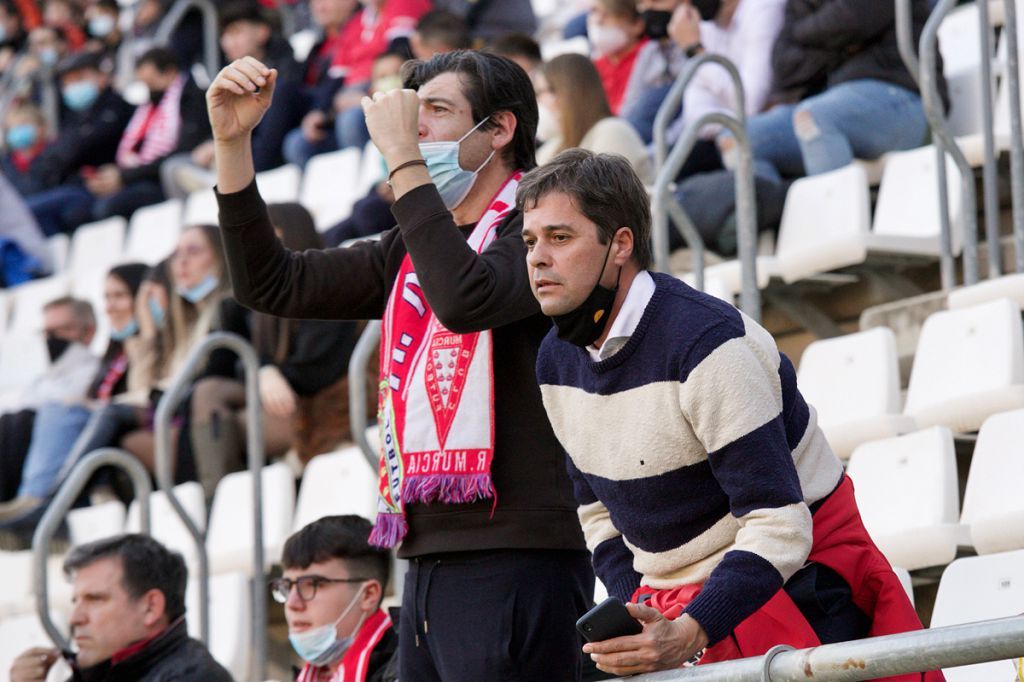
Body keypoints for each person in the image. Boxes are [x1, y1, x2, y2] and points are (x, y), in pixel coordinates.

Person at [208, 49, 592, 679]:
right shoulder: (408, 249)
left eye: (434, 112)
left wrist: (404, 165)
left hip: (522, 551)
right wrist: (233, 145)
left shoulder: (545, 227)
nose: (412, 129)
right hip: (424, 556)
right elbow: (269, 284)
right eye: (409, 114)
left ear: (500, 130)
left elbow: (468, 299)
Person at [518, 149, 940, 678]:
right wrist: (638, 616)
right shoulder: (554, 360)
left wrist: (689, 630)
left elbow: (780, 525)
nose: (536, 258)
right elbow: (597, 513)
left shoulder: (708, 344)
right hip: (679, 609)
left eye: (560, 238)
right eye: (530, 241)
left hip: (795, 584)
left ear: (620, 244)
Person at [190, 203, 361, 497]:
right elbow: (226, 364)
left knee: (217, 420)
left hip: (324, 404)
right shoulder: (263, 302)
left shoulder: (328, 285)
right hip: (284, 399)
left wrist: (270, 371)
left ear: (286, 235)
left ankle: (219, 502)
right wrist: (265, 369)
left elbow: (317, 371)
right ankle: (218, 501)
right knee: (208, 395)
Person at [0, 263, 148, 523]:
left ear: (88, 331)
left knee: (53, 413)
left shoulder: (100, 363)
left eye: (61, 331)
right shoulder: (109, 357)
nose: (51, 339)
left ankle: (37, 501)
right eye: (46, 332)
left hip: (106, 429)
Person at [26, 47, 211, 234]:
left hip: (156, 179)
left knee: (98, 209)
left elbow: (181, 150)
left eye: (151, 83)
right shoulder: (146, 110)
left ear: (170, 73)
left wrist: (123, 177)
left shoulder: (192, 100)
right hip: (132, 177)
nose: (149, 92)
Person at [8, 534, 232, 681]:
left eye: (95, 599)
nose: (75, 618)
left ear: (151, 608)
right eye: (75, 601)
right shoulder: (101, 671)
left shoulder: (195, 676)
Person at [274, 515, 397, 682]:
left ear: (368, 595)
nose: (292, 603)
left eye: (313, 584)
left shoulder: (410, 669)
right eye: (287, 586)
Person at [535, 53, 652, 184]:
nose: (538, 100)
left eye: (540, 92)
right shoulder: (553, 146)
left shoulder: (612, 132)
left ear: (567, 92)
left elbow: (598, 199)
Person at [588, 0, 646, 115]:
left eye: (608, 14)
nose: (598, 20)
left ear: (637, 25)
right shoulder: (595, 65)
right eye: (594, 12)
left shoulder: (649, 56)